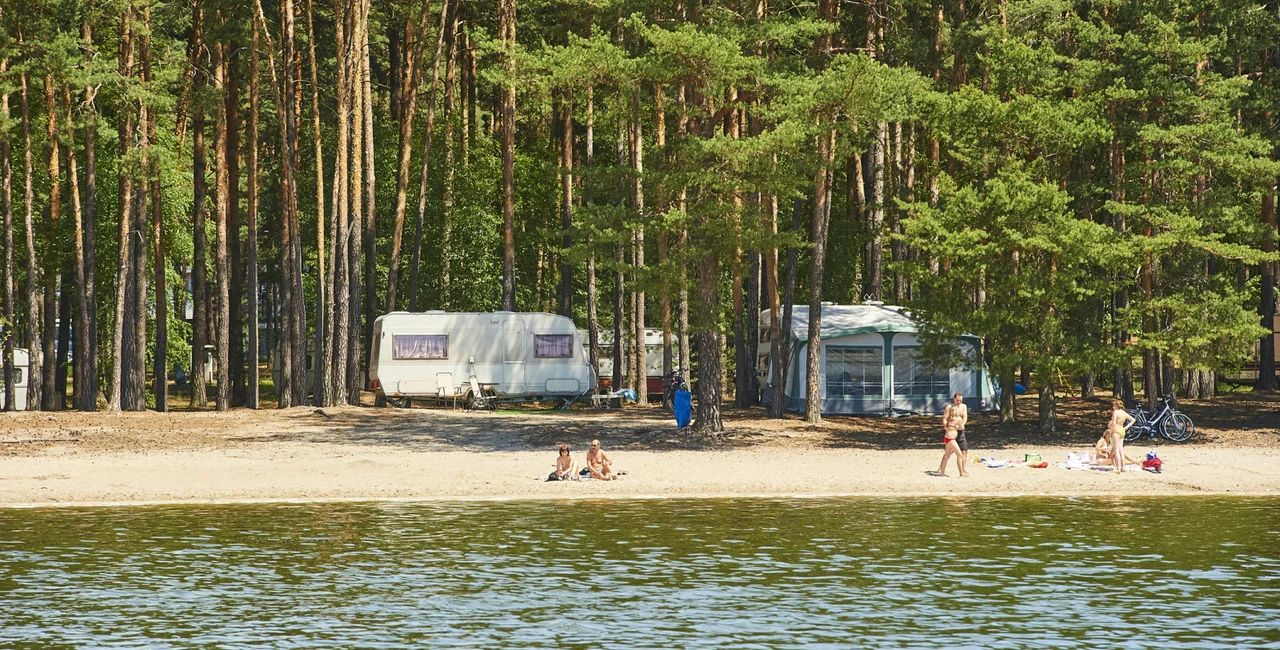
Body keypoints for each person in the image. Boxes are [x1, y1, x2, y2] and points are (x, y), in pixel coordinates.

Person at [936, 392, 969, 477]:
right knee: (959, 455)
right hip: (951, 438)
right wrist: (946, 426)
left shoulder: (962, 410)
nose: (959, 403)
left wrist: (960, 426)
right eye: (957, 400)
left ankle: (942, 472)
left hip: (949, 437)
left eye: (960, 400)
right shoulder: (953, 415)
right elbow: (945, 419)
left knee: (949, 454)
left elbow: (964, 420)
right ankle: (961, 473)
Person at [1106, 400, 1137, 473]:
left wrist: (1111, 431)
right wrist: (1126, 427)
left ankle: (1118, 467)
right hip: (1122, 430)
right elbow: (1133, 420)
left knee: (1116, 450)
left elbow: (1113, 424)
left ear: (1116, 406)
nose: (1113, 407)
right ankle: (1123, 467)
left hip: (1116, 430)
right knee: (1121, 450)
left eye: (1113, 405)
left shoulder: (1116, 412)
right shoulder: (1124, 413)